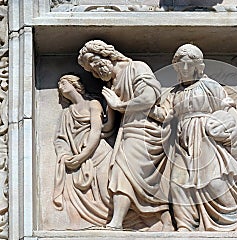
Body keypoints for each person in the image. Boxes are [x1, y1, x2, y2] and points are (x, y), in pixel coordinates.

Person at [150, 44, 237, 231]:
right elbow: (164, 114)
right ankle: (184, 225)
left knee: (214, 180)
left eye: (189, 65)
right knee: (177, 183)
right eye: (181, 66)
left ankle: (234, 220)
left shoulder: (210, 86)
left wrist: (226, 129)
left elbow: (227, 110)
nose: (185, 69)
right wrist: (141, 104)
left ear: (198, 66)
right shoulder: (174, 93)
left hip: (205, 138)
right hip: (181, 142)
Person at [78, 40, 172, 230]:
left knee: (124, 172)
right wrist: (85, 130)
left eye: (94, 63)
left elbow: (148, 98)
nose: (95, 72)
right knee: (134, 178)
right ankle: (166, 221)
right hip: (128, 133)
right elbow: (109, 126)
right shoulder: (112, 86)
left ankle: (117, 222)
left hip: (146, 130)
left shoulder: (137, 67)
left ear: (106, 55)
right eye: (91, 71)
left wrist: (119, 105)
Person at [53, 74, 112, 226]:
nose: (60, 86)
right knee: (69, 187)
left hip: (97, 153)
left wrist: (84, 155)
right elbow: (60, 138)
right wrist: (65, 155)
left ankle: (121, 219)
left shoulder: (93, 104)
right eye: (59, 84)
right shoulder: (67, 113)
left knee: (106, 192)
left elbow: (96, 131)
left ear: (76, 85)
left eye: (63, 82)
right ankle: (76, 222)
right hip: (76, 157)